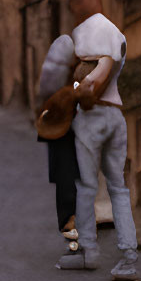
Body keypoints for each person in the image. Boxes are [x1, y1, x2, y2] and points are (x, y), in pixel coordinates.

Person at [58, 0, 140, 281]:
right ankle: (129, 257)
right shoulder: (117, 33)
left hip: (91, 116)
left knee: (87, 186)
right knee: (119, 187)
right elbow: (110, 67)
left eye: (73, 3)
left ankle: (88, 251)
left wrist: (75, 92)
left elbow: (89, 78)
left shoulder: (84, 32)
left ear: (81, 5)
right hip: (116, 114)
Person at [36, 32, 80, 254]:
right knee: (69, 178)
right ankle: (71, 230)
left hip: (54, 125)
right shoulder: (69, 77)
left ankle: (69, 227)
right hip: (64, 126)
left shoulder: (59, 49)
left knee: (65, 178)